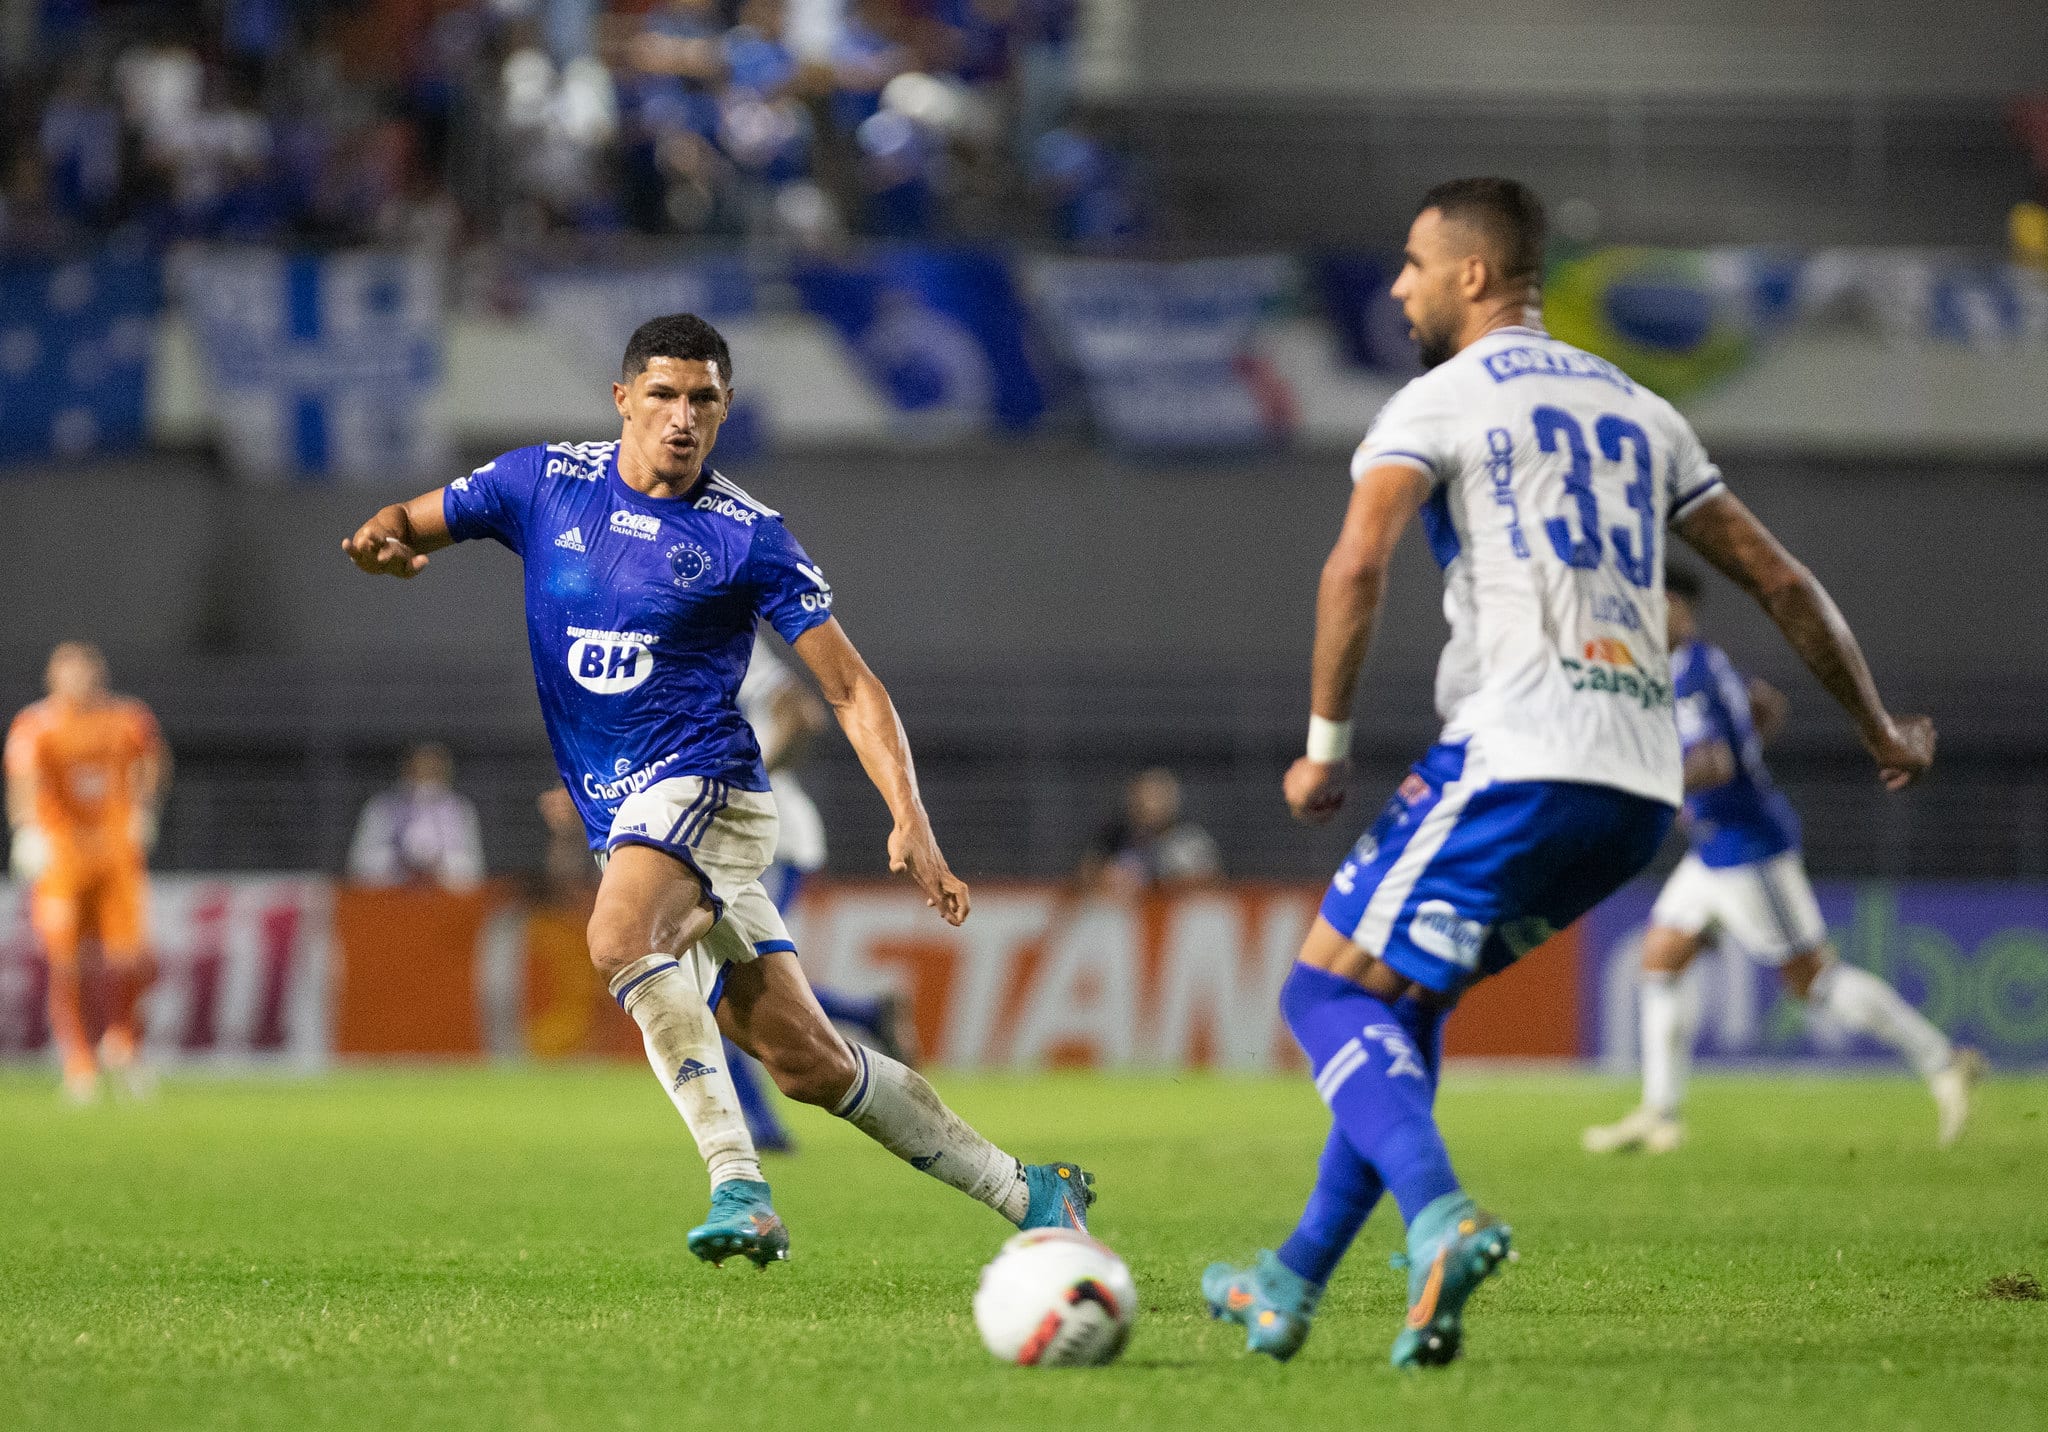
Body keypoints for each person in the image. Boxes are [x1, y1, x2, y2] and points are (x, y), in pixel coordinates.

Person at [1199, 178, 1936, 1369]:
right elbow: (1780, 580)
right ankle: (1287, 1282)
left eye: (1412, 264)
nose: (1397, 285)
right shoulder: (1644, 411)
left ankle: (1440, 1215)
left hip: (1516, 750)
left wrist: (1322, 749)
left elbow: (1355, 567)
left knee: (1321, 995)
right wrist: (1878, 727)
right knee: (1402, 1003)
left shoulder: (1433, 402)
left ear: (1473, 277)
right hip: (1639, 792)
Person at [340, 312, 1092, 1268]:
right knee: (806, 1061)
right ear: (623, 401)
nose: (682, 418)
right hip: (626, 812)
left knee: (617, 938)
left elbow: (851, 688)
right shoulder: (541, 483)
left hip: (711, 789)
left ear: (726, 409)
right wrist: (383, 538)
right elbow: (415, 518)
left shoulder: (747, 538)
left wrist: (912, 820)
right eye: (662, 396)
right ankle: (1028, 1189)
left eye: (703, 400)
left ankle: (739, 1182)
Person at [1582, 567, 1982, 1155]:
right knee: (1662, 955)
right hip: (1715, 846)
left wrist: (1646, 784)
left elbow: (1714, 763)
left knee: (1813, 982)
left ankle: (1944, 1061)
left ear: (1677, 610)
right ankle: (1660, 1114)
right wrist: (1748, 737)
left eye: (1651, 605)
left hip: (1747, 848)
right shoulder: (1697, 666)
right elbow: (1762, 711)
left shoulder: (1689, 672)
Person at [723, 634, 918, 1152]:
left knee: (723, 982)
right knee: (729, 980)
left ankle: (762, 1129)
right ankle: (865, 1014)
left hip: (765, 837)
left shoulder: (717, 633)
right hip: (750, 838)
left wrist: (743, 786)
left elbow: (803, 716)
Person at [5, 642, 170, 1102]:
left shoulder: (127, 718)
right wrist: (26, 830)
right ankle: (79, 1062)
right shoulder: (36, 725)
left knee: (130, 957)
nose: (78, 681)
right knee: (65, 960)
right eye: (68, 673)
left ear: (99, 674)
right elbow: (22, 779)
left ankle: (124, 1044)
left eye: (85, 671)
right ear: (52, 679)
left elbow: (153, 761)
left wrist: (143, 807)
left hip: (116, 852)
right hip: (64, 855)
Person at [345, 742, 486, 890]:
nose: (425, 778)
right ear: (406, 770)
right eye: (418, 770)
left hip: (444, 901)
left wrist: (438, 862)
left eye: (432, 771)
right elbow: (359, 865)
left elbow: (474, 870)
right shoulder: (381, 808)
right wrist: (400, 859)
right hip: (391, 899)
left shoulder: (461, 809)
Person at [1078, 767, 1223, 896]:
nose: (1149, 805)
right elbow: (1088, 872)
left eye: (1156, 797)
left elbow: (1211, 883)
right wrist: (1107, 878)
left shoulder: (1191, 839)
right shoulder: (1116, 836)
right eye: (1144, 796)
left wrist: (1161, 883)